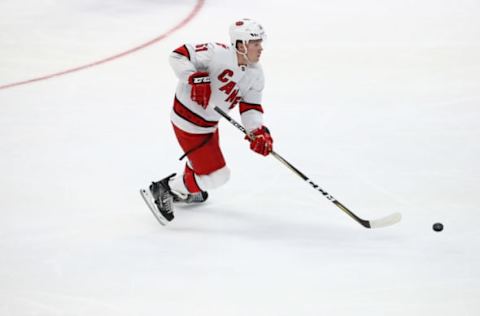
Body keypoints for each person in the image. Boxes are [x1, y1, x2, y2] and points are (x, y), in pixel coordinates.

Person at [140, 18, 273, 224]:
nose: (260, 48)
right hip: (188, 122)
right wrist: (193, 77)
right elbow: (178, 55)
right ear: (240, 44)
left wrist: (257, 131)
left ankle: (187, 188)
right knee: (217, 177)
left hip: (209, 125)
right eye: (255, 44)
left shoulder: (256, 74)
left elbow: (250, 107)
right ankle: (164, 188)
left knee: (207, 170)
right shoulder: (215, 53)